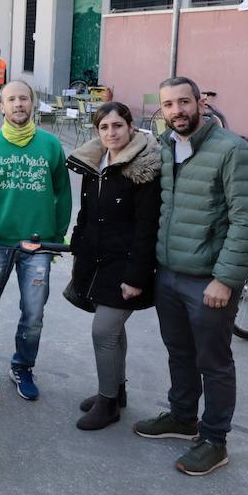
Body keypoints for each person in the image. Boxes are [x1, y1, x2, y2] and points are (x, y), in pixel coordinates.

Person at [133, 77, 248, 477]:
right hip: (170, 273)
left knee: (214, 361)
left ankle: (214, 440)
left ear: (200, 104)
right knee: (179, 351)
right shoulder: (170, 147)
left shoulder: (232, 151)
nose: (177, 111)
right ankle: (183, 416)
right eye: (169, 104)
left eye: (184, 102)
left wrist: (225, 279)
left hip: (209, 279)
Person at [0, 81, 72, 401]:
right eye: (11, 99)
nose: (18, 104)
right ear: (2, 107)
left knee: (33, 313)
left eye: (24, 98)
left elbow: (63, 194)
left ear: (32, 104)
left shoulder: (50, 146)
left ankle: (22, 366)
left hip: (37, 246)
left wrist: (56, 238)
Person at [65, 102, 161, 430]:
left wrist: (136, 277)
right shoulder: (98, 162)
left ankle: (107, 405)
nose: (111, 133)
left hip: (127, 265)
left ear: (131, 127)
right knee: (114, 331)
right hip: (98, 261)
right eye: (104, 127)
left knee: (103, 330)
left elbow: (147, 227)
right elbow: (86, 213)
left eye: (118, 126)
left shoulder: (143, 168)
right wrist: (78, 250)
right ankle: (115, 391)